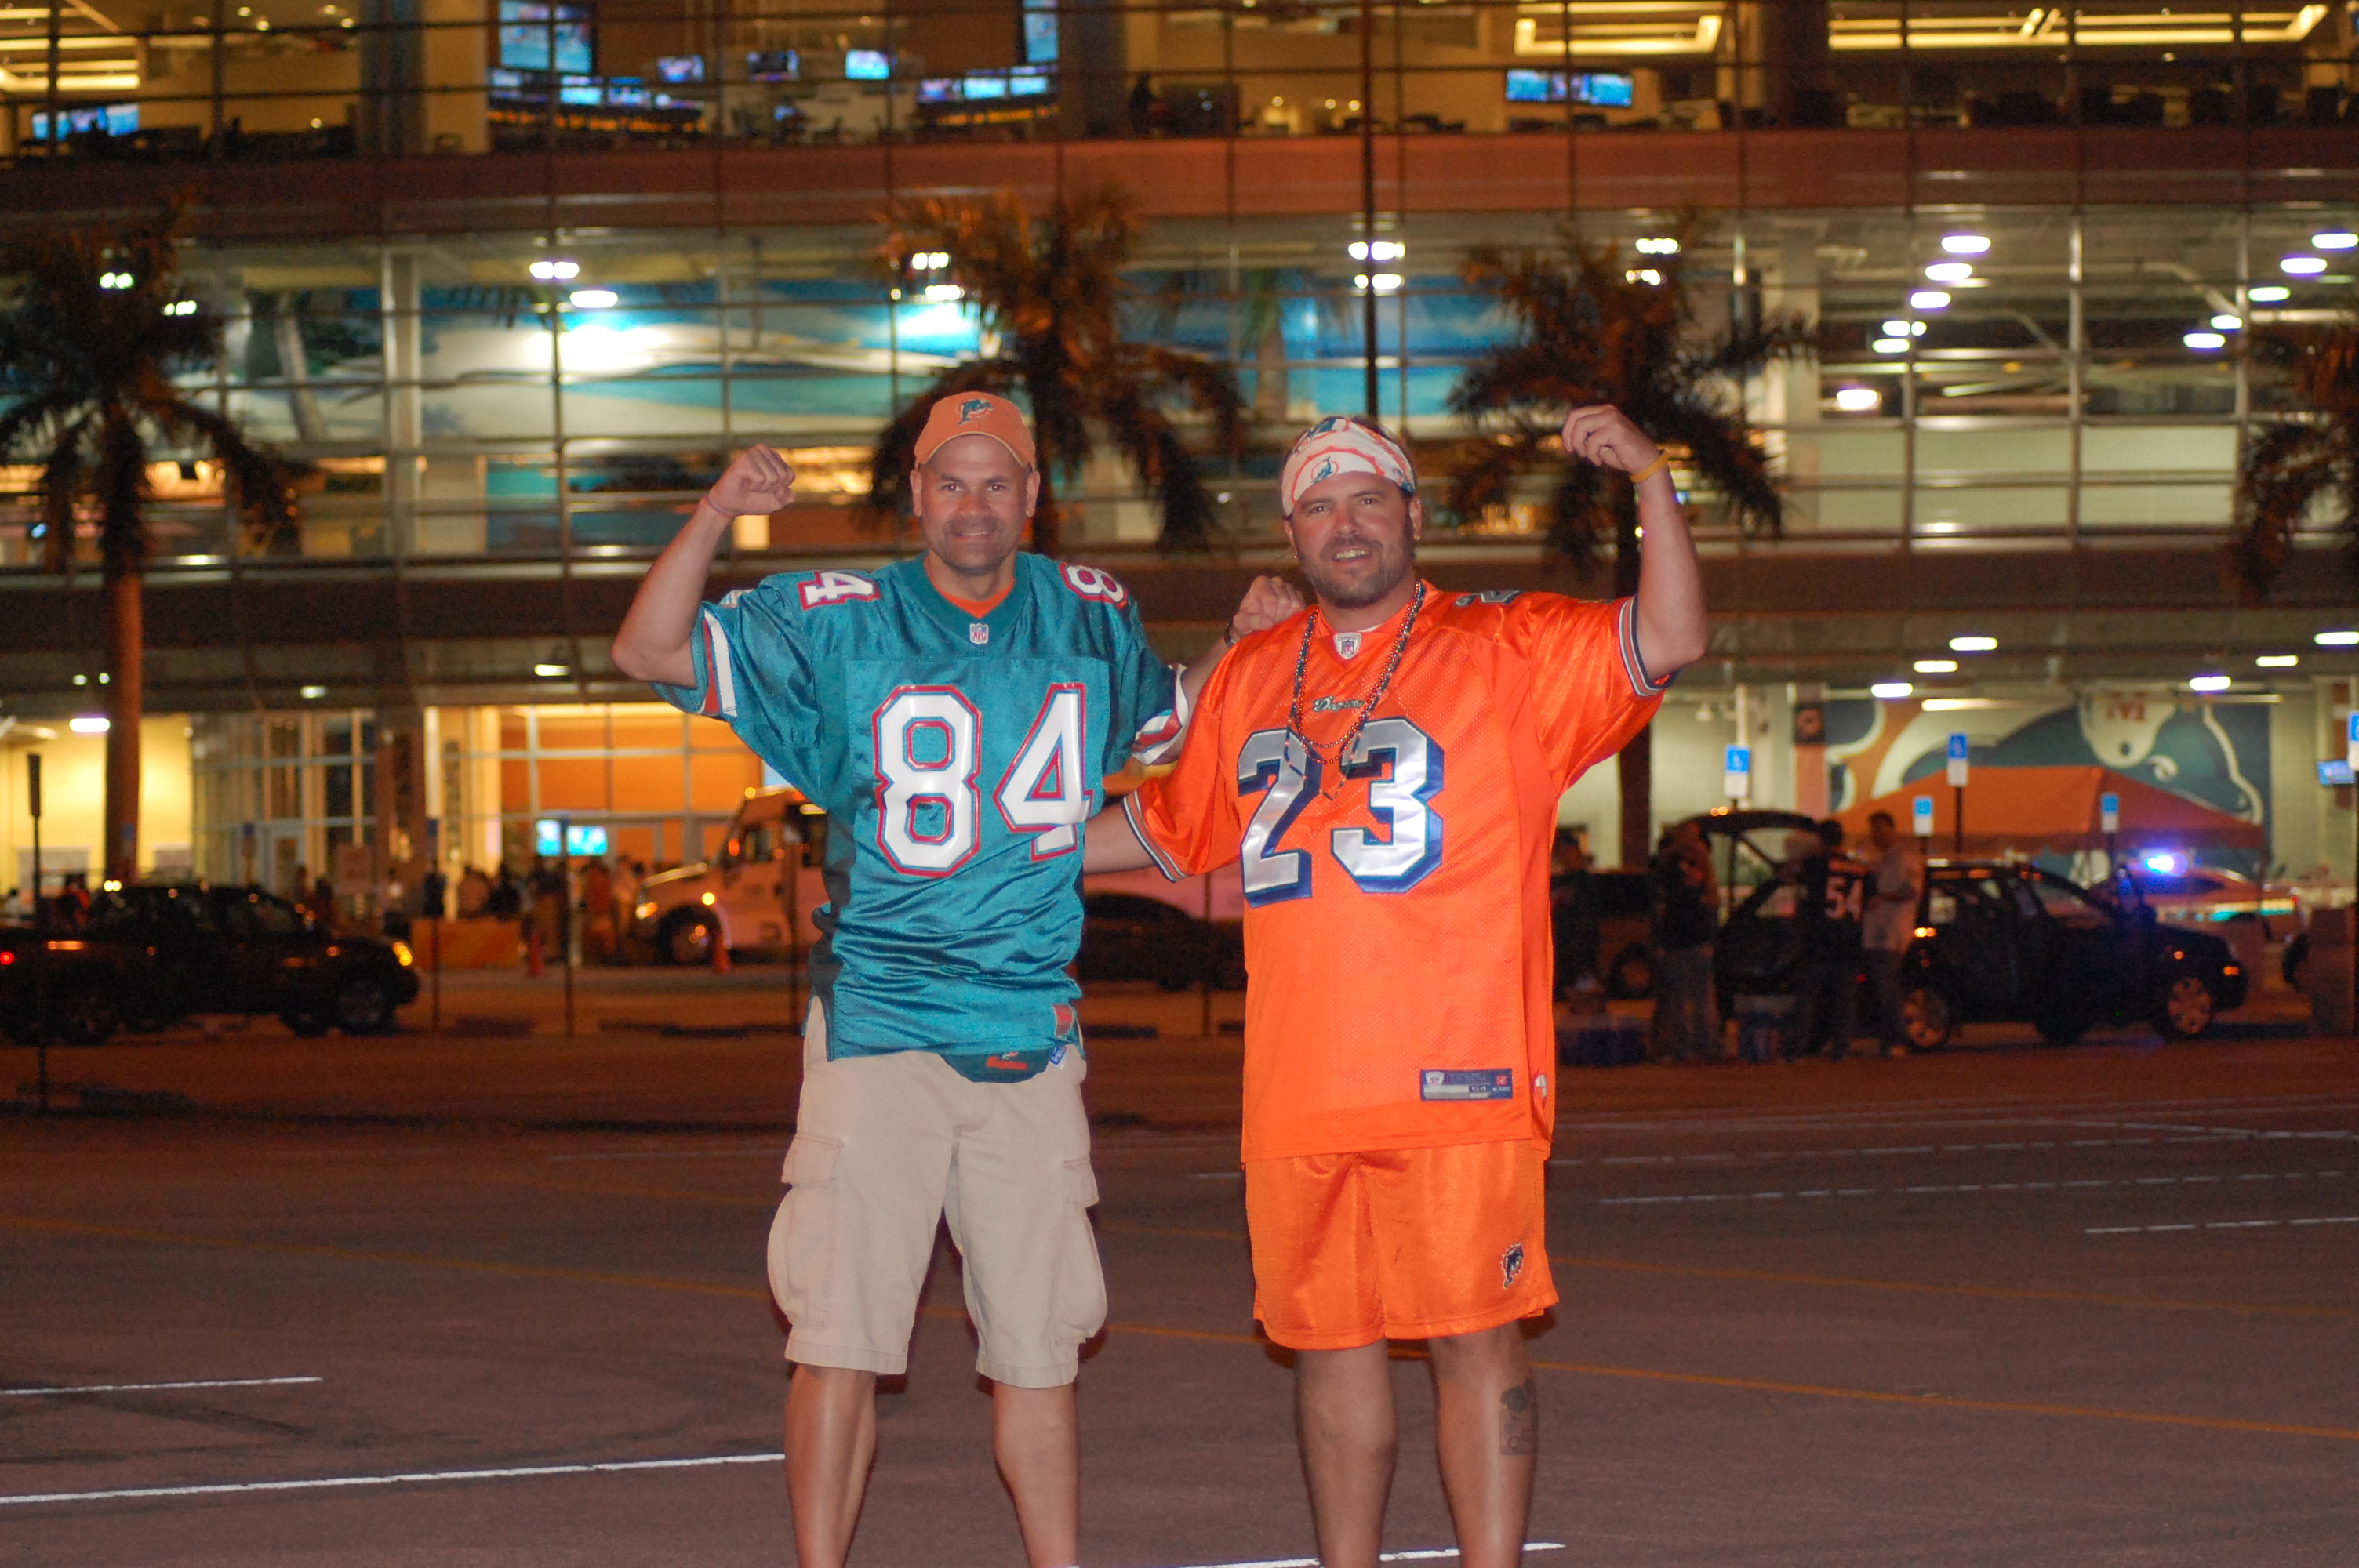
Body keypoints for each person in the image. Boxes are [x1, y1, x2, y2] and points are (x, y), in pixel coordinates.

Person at [609, 394, 1297, 1568]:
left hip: (1029, 1020)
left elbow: (1163, 725)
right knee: (837, 1335)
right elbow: (648, 649)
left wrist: (1237, 641)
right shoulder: (842, 616)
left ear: (1033, 498)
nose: (973, 504)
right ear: (917, 494)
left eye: (998, 483)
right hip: (880, 1019)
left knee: (1039, 1346)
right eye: (951, 481)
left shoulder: (1088, 612)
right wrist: (717, 511)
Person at [1085, 408, 1705, 1568]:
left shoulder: (1507, 646)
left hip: (1457, 1072)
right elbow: (1169, 831)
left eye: (1369, 499)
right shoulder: (1259, 670)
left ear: (1413, 516)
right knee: (1328, 1347)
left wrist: (1653, 479)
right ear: (1292, 534)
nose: (1346, 524)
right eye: (1319, 506)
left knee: (1478, 1344)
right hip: (1300, 1084)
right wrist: (989, 843)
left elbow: (1669, 633)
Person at [1787, 818, 1866, 1062]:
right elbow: (1869, 901)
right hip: (1849, 937)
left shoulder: (1815, 863)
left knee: (1808, 996)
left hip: (1819, 938)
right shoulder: (1857, 867)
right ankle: (1841, 1047)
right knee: (1845, 999)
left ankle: (1798, 1048)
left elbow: (1787, 875)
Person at [1649, 818, 1721, 1062]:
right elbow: (1664, 905)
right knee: (1684, 998)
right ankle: (1688, 1047)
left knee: (1696, 998)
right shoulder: (1673, 864)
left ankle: (1699, 1047)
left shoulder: (1697, 863)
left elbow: (1711, 901)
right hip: (1681, 938)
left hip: (1692, 938)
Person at [1859, 809, 1923, 1058]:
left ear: (1892, 830)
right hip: (1877, 931)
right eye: (1873, 830)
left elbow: (1911, 891)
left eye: (1880, 830)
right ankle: (1888, 1039)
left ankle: (1897, 1038)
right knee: (1882, 988)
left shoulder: (1905, 858)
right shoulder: (1883, 859)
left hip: (1892, 932)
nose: (1876, 836)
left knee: (1888, 988)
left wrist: (1882, 898)